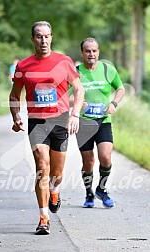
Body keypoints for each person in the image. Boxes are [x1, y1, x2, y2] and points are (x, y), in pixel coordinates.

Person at [9, 21, 84, 235]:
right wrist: (16, 116)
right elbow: (15, 95)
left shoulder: (64, 62)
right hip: (37, 121)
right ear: (32, 39)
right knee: (43, 167)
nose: (44, 40)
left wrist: (74, 114)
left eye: (47, 36)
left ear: (52, 37)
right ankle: (44, 218)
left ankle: (55, 191)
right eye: (39, 37)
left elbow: (79, 90)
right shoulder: (23, 66)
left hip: (60, 120)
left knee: (57, 174)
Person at [75, 37, 125, 208]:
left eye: (94, 50)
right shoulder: (75, 72)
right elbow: (62, 94)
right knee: (88, 162)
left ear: (98, 52)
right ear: (82, 53)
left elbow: (120, 88)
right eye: (87, 51)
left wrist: (114, 103)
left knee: (105, 156)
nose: (91, 54)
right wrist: (76, 103)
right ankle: (89, 193)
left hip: (103, 121)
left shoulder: (107, 69)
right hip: (84, 123)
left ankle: (101, 189)